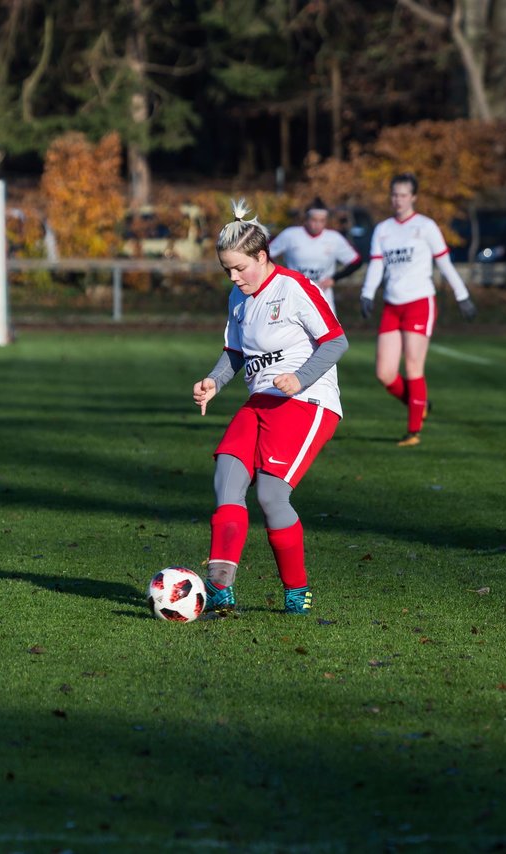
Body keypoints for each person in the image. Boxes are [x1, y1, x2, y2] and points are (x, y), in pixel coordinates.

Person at [192, 200, 349, 617]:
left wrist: (299, 378)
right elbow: (234, 352)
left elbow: (336, 341)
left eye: (240, 268)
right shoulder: (238, 297)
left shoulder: (293, 288)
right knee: (226, 473)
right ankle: (220, 587)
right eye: (227, 269)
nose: (233, 276)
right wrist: (213, 381)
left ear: (262, 257)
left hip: (307, 402)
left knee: (271, 494)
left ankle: (297, 592)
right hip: (260, 401)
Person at [360, 173, 476, 447]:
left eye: (402, 195)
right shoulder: (383, 229)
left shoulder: (425, 226)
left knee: (413, 366)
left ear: (413, 197)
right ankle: (418, 404)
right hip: (392, 304)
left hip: (419, 303)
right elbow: (377, 265)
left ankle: (413, 431)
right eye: (394, 195)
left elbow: (445, 263)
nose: (397, 200)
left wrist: (463, 296)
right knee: (385, 373)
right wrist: (367, 293)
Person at [268, 196, 363, 313]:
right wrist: (281, 273)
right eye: (314, 220)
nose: (317, 224)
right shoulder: (291, 235)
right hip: (294, 297)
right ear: (306, 219)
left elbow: (357, 261)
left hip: (323, 298)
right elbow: (265, 253)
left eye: (322, 221)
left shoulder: (334, 238)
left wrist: (334, 279)